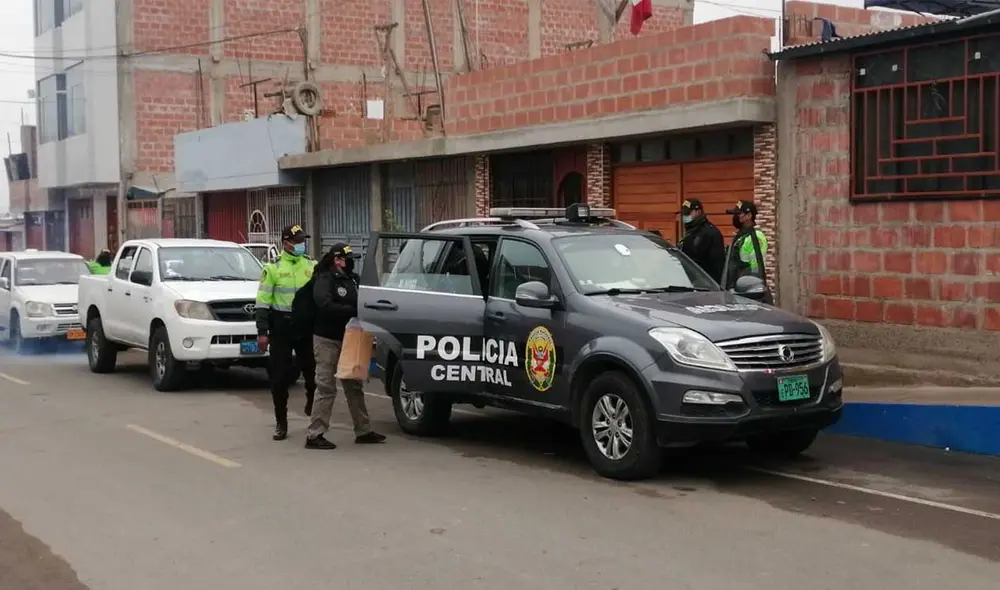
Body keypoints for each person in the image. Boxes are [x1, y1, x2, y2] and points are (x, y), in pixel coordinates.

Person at [304, 243, 386, 449]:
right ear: (337, 259)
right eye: (348, 259)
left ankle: (363, 430)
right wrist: (351, 310)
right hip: (327, 339)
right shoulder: (324, 279)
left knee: (354, 385)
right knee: (325, 386)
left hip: (350, 339)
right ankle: (315, 434)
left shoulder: (353, 279)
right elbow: (324, 305)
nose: (351, 263)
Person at [255, 224, 318, 441]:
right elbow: (263, 302)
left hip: (305, 327)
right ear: (286, 243)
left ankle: (312, 402)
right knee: (280, 377)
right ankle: (281, 422)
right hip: (282, 327)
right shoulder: (272, 268)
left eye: (303, 241)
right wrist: (262, 332)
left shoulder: (311, 265)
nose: (301, 245)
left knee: (312, 373)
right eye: (297, 241)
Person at [724, 200, 772, 303]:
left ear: (749, 216)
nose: (736, 217)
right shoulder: (740, 237)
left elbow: (755, 268)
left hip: (748, 292)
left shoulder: (756, 236)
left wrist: (748, 287)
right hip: (734, 290)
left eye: (739, 214)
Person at [677, 199, 725, 283]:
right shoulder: (691, 231)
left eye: (688, 213)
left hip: (704, 284)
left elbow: (717, 266)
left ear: (698, 212)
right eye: (683, 214)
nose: (685, 216)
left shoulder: (710, 233)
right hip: (689, 281)